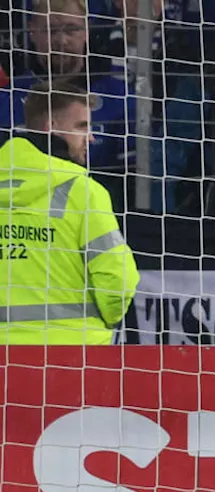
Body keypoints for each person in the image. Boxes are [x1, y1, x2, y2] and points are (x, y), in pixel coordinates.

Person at [0, 80, 138, 345]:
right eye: (82, 126)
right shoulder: (83, 191)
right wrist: (105, 320)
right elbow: (117, 280)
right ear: (52, 126)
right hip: (72, 355)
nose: (92, 137)